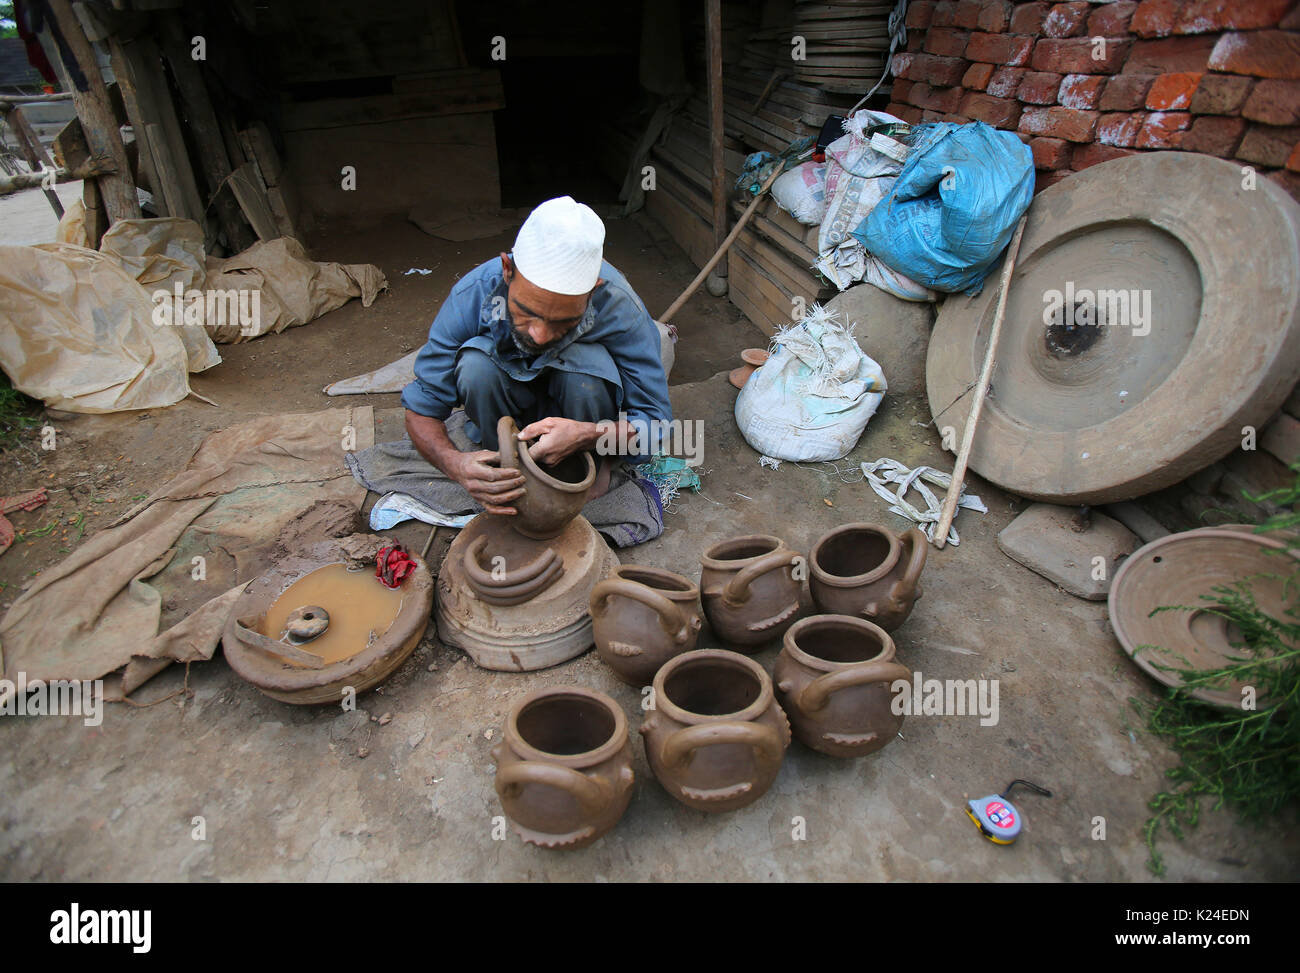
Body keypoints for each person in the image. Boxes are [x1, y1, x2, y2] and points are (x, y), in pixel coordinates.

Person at [401, 196, 673, 517]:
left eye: (564, 321)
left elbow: (656, 422)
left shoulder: (619, 304)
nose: (540, 335)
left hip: (581, 417)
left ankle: (590, 472)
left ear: (594, 289)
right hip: (507, 412)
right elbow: (422, 408)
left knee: (588, 373)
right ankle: (501, 466)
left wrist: (590, 435)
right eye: (527, 313)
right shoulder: (473, 293)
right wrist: (454, 464)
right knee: (475, 365)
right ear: (507, 270)